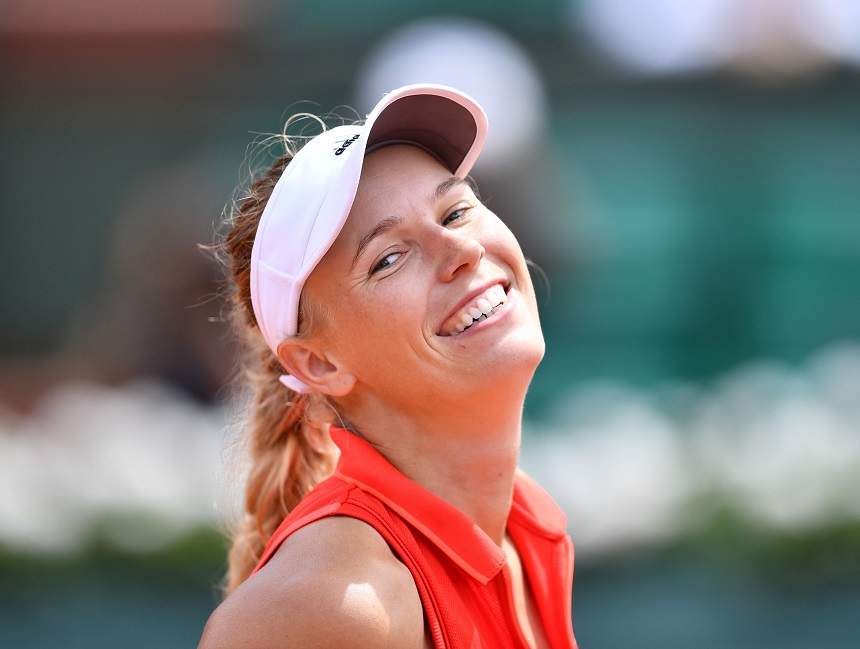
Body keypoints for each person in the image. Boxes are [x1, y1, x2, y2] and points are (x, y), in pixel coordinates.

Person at [197, 83, 578, 649]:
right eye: (388, 258)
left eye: (455, 209)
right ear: (320, 364)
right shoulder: (332, 607)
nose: (462, 250)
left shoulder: (528, 529)